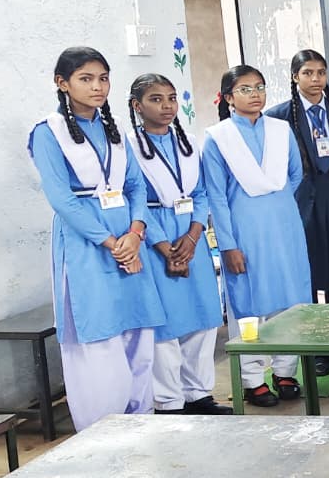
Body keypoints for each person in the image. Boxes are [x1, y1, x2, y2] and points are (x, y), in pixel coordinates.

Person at [29, 47, 164, 431]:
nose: (97, 87)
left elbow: (136, 186)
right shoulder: (48, 133)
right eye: (86, 79)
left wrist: (135, 233)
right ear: (62, 83)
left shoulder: (115, 128)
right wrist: (111, 242)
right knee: (98, 335)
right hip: (86, 245)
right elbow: (62, 200)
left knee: (137, 331)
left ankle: (142, 422)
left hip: (128, 238)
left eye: (103, 78)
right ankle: (102, 431)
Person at [203, 65, 312, 407]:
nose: (255, 94)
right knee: (249, 303)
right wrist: (228, 245)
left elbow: (295, 175)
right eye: (245, 89)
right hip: (244, 230)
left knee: (289, 300)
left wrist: (273, 204)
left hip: (285, 226)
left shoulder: (281, 130)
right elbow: (216, 196)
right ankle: (251, 379)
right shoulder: (218, 138)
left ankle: (285, 371)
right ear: (228, 97)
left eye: (260, 87)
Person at [126, 74, 230, 415]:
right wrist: (164, 247)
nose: (167, 106)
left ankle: (198, 393)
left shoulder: (187, 143)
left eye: (171, 98)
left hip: (190, 237)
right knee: (166, 324)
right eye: (156, 99)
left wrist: (194, 235)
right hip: (155, 238)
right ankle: (169, 401)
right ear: (137, 106)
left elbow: (200, 193)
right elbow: (135, 200)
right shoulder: (129, 147)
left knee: (203, 316)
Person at [267, 50, 329, 375]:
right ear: (295, 76)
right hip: (302, 201)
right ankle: (313, 348)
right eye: (308, 73)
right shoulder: (279, 116)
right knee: (308, 271)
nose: (315, 79)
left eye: (321, 72)